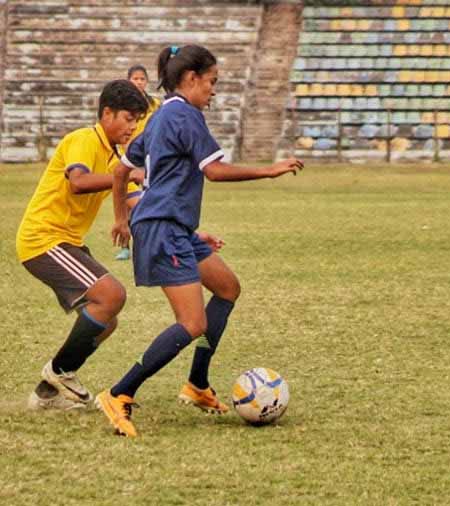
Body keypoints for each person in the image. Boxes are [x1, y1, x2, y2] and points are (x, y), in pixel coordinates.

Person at [96, 44, 303, 437]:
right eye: (212, 82)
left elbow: (123, 171)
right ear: (190, 79)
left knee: (227, 288)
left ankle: (197, 384)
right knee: (192, 322)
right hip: (162, 229)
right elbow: (215, 171)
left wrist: (123, 218)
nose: (214, 91)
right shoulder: (185, 116)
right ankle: (120, 393)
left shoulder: (159, 118)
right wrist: (269, 171)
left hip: (172, 227)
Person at [16, 80, 148, 410]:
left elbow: (136, 202)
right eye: (128, 118)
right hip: (42, 238)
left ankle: (47, 394)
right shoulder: (84, 139)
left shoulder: (115, 156)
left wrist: (188, 233)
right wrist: (124, 176)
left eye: (136, 120)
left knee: (107, 318)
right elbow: (78, 182)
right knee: (112, 295)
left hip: (66, 242)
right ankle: (59, 371)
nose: (132, 127)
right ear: (107, 113)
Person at [114, 65, 163, 261]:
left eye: (142, 79)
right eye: (135, 79)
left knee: (145, 201)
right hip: (128, 158)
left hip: (148, 157)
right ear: (128, 81)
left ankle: (146, 242)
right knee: (127, 202)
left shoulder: (156, 105)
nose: (139, 82)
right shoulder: (122, 106)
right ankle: (125, 246)